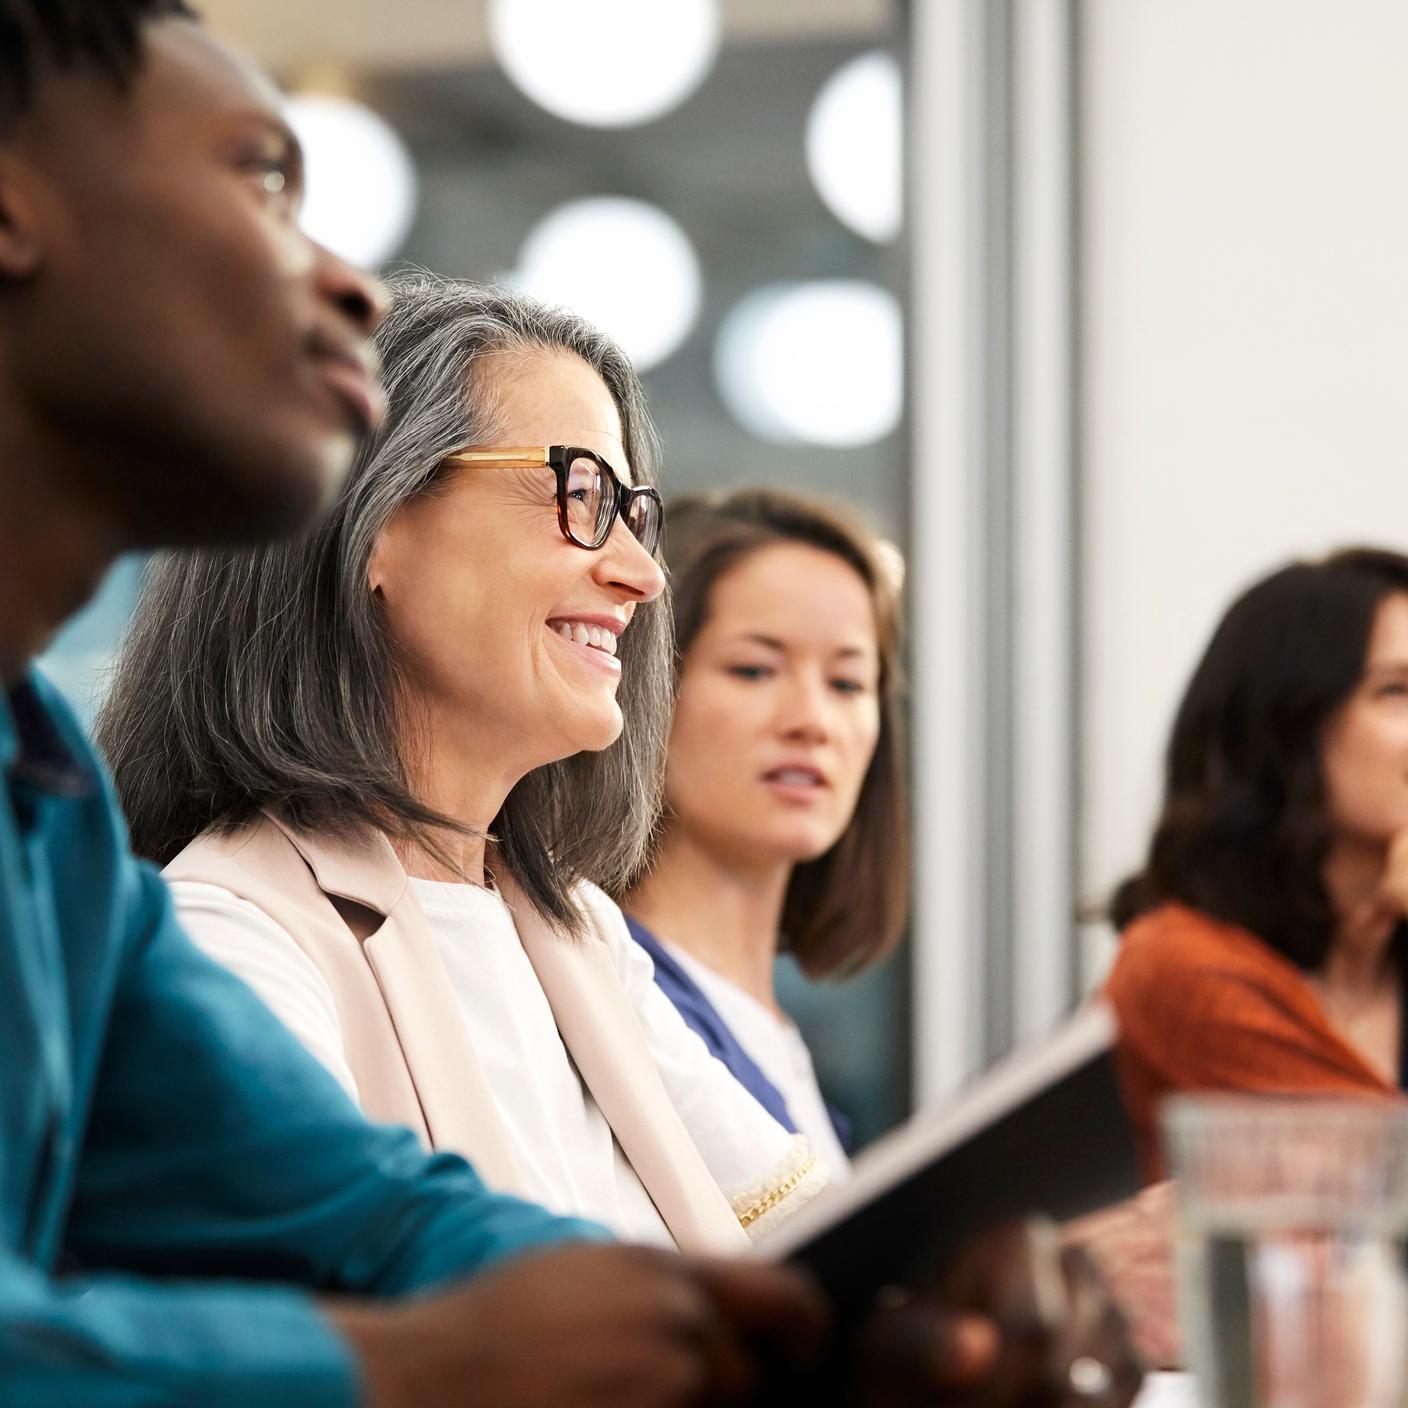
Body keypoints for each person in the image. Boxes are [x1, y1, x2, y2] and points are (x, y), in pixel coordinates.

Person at [0, 4, 877, 1402]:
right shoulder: (220, 910)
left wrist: (853, 1319)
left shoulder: (46, 814)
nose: (346, 285)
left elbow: (366, 1205)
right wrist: (414, 1365)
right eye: (258, 180)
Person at [99, 274, 827, 1249]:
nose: (642, 574)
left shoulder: (573, 928)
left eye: (632, 512)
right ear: (368, 516)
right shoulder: (229, 936)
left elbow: (817, 1239)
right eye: (579, 494)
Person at [621, 490, 908, 1176]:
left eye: (847, 683)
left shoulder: (774, 1037)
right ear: (647, 689)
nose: (812, 720)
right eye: (755, 669)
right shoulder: (616, 994)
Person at [1105, 547, 1408, 1182]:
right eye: (1396, 691)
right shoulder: (1180, 966)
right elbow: (1381, 1200)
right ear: (1286, 728)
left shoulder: (1390, 957)